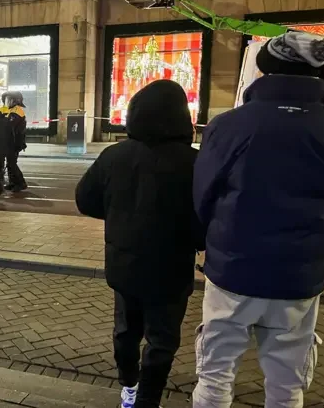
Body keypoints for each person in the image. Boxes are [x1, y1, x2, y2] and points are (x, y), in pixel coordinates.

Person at [193, 31, 324, 408]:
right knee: (287, 384)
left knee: (216, 373)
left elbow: (203, 194)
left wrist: (206, 241)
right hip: (299, 277)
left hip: (232, 270)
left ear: (264, 73)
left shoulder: (229, 125)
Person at [76, 80, 203, 408]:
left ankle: (128, 387)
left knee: (126, 330)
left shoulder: (114, 155)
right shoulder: (195, 162)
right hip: (172, 269)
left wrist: (120, 216)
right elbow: (208, 217)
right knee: (162, 339)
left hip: (125, 263)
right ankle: (148, 400)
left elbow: (85, 200)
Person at [4, 91, 28, 192]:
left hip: (15, 142)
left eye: (9, 100)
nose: (7, 102)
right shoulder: (13, 110)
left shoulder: (16, 111)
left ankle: (21, 183)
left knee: (12, 164)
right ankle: (12, 182)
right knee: (10, 163)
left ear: (15, 101)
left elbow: (9, 126)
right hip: (11, 141)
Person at [0, 92, 10, 185]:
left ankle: (1, 175)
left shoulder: (3, 110)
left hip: (5, 139)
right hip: (3, 139)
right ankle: (1, 175)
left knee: (2, 159)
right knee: (2, 159)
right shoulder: (1, 110)